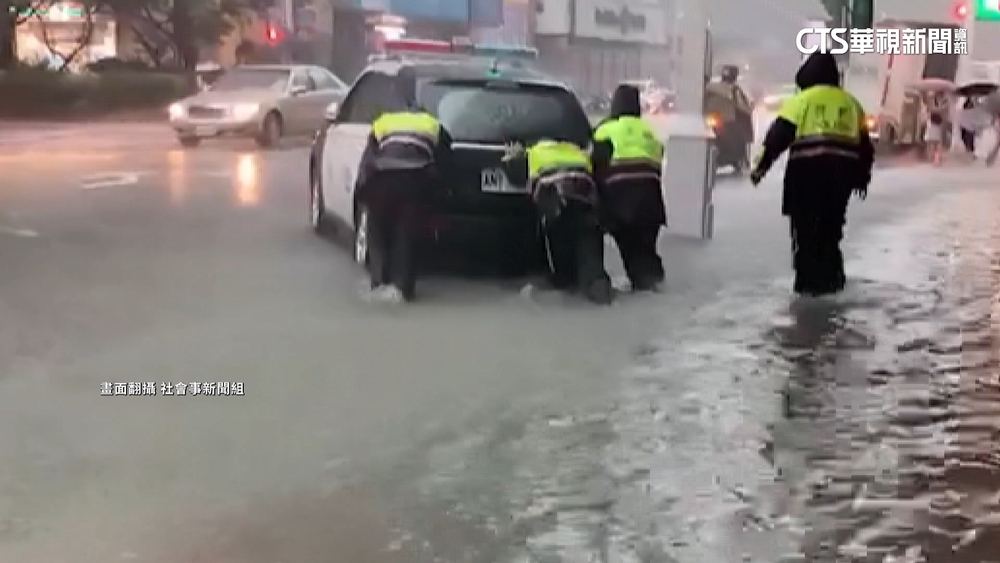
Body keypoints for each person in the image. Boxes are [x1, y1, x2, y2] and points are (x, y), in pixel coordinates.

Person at [749, 52, 875, 297]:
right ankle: (832, 284)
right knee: (831, 233)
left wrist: (759, 169)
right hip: (839, 180)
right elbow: (865, 149)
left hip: (805, 178)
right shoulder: (852, 104)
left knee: (805, 234)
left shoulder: (801, 101)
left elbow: (777, 138)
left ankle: (808, 289)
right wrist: (861, 179)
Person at [355, 70, 452, 303]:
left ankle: (378, 283)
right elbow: (446, 160)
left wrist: (363, 193)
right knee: (406, 235)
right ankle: (402, 289)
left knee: (378, 234)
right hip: (414, 183)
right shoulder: (432, 124)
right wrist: (443, 192)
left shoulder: (383, 122)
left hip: (381, 182)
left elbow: (367, 161)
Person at [502, 139, 614, 304]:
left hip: (557, 206)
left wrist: (511, 159)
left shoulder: (532, 153)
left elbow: (516, 178)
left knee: (564, 273)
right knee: (592, 268)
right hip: (586, 205)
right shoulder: (576, 151)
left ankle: (568, 296)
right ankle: (604, 299)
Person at [592, 84, 667, 291]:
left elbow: (595, 165)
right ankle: (655, 287)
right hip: (651, 204)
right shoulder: (649, 131)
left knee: (631, 253)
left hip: (620, 203)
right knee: (646, 253)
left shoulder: (605, 130)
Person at [923, 92, 948, 165]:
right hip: (934, 123)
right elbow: (933, 111)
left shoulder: (940, 103)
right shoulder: (933, 104)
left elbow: (937, 111)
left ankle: (935, 158)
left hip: (936, 123)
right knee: (935, 142)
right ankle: (935, 157)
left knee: (935, 142)